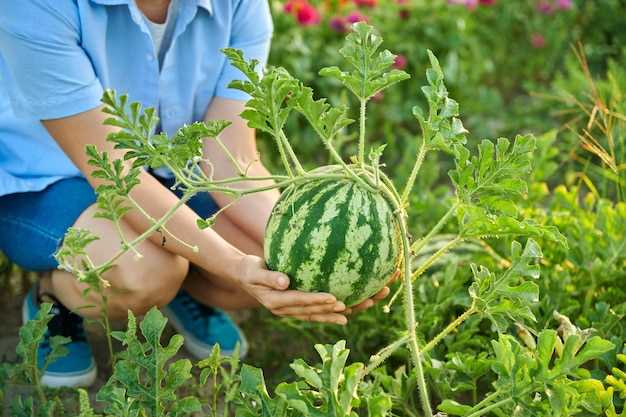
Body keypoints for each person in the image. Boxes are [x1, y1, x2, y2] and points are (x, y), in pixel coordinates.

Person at [0, 0, 389, 388]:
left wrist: (308, 240)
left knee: (278, 261)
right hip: (47, 179)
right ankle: (55, 300)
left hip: (171, 173)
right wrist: (233, 265)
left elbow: (230, 155)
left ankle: (179, 280)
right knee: (146, 272)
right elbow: (115, 172)